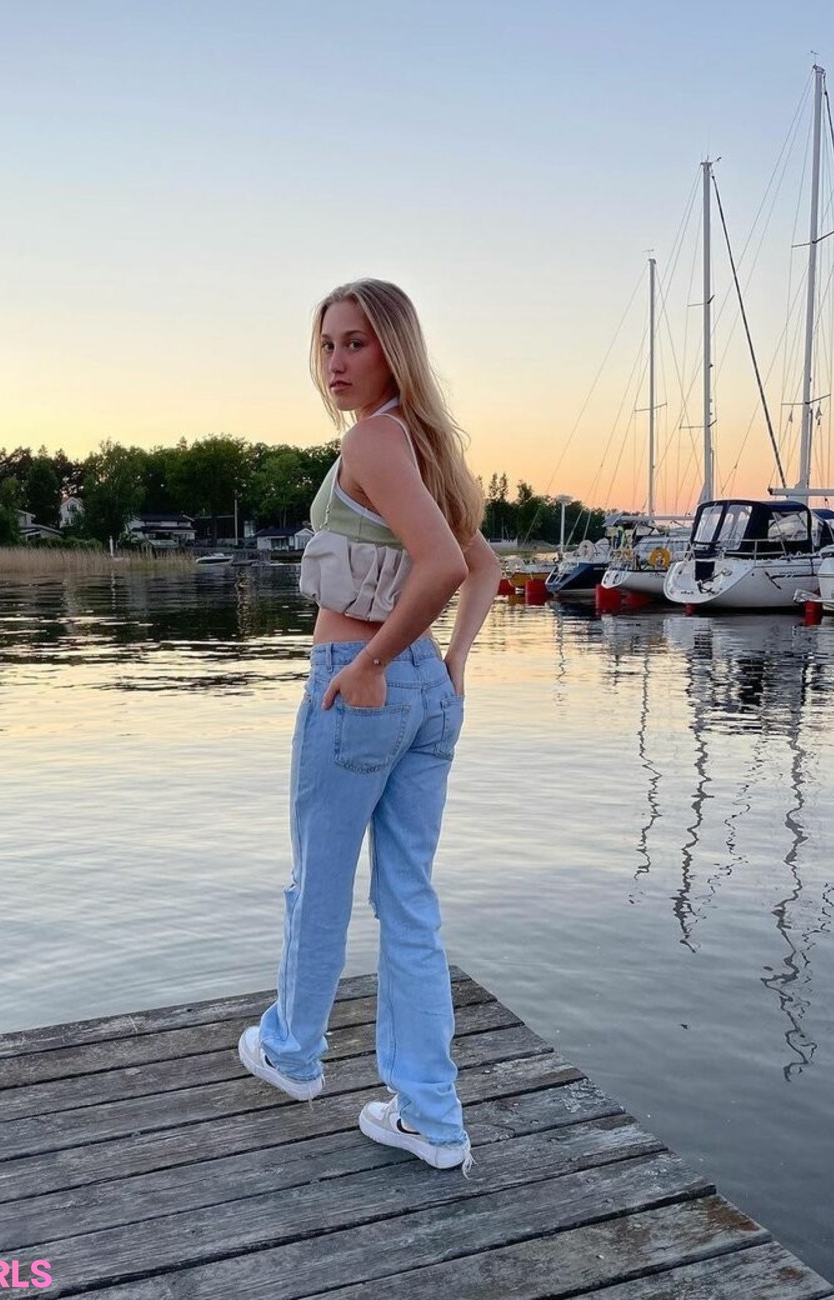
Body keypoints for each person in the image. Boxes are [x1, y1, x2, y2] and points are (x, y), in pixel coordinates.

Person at [238, 278, 501, 1172]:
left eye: (355, 343)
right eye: (326, 345)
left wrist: (371, 662)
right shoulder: (425, 445)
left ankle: (292, 1051)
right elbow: (483, 564)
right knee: (408, 902)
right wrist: (452, 660)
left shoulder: (375, 440)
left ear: (395, 348)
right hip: (424, 691)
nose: (336, 362)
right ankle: (430, 1116)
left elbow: (443, 566)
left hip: (363, 681)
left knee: (319, 880)